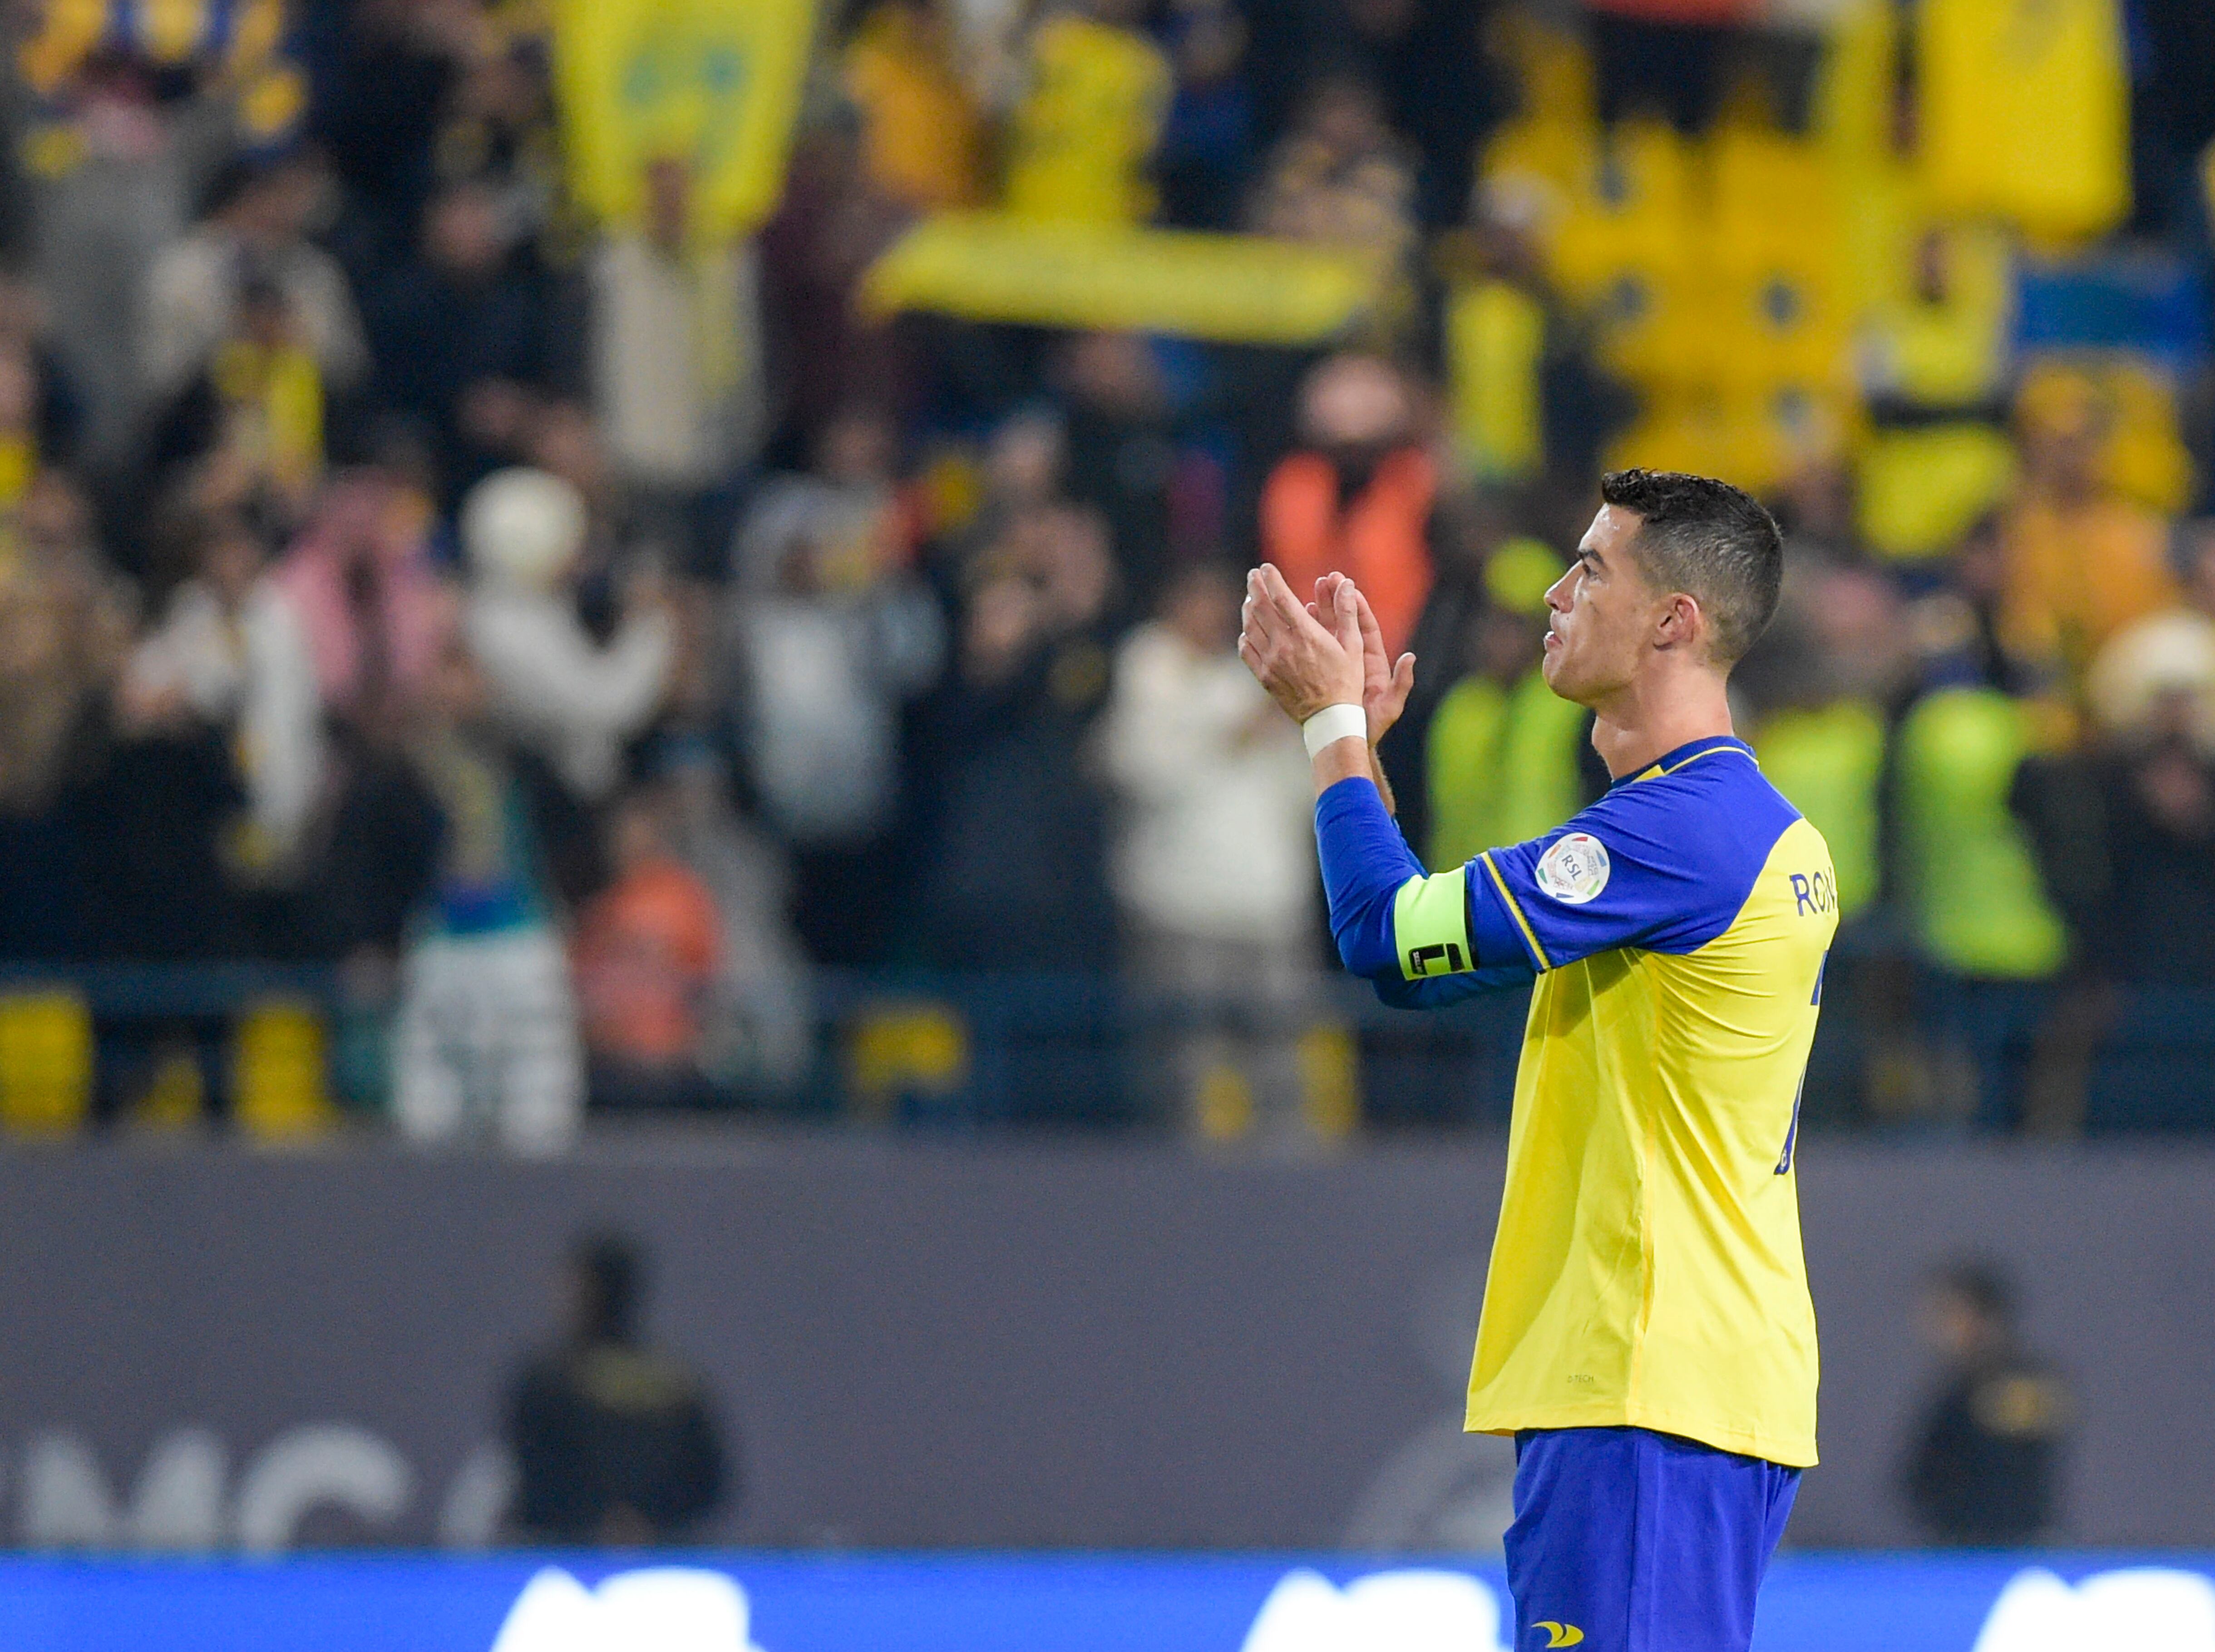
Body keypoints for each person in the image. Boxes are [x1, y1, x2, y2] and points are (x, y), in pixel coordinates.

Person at [1239, 469, 1830, 1651]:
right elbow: (1425, 928)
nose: (1554, 593)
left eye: (1590, 569)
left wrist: (1329, 729)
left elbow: (1392, 942)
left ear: (1673, 621)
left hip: (1645, 1376)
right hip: (1673, 1377)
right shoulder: (1718, 819)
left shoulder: (1682, 832)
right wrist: (1362, 756)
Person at [1101, 562, 1317, 1139]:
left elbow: (1302, 791)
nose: (1211, 614)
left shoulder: (1253, 676)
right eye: (1198, 599)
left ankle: (1292, 1186)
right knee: (1185, 1073)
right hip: (1179, 906)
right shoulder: (1145, 672)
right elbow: (1136, 772)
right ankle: (1185, 1186)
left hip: (1267, 906)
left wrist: (1286, 728)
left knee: (1280, 1072)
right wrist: (1229, 735)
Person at [507, 1231, 730, 1546]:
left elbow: (536, 1472)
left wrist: (600, 1520)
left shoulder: (548, 1382)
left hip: (568, 1554)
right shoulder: (677, 1384)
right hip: (652, 1554)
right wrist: (645, 1519)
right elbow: (706, 1484)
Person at [1903, 1262, 2070, 1546]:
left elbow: (2016, 1476)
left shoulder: (2018, 1387)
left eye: (1951, 1314)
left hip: (2006, 1548)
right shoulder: (1955, 1389)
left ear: (1983, 1317)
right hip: (1959, 1545)